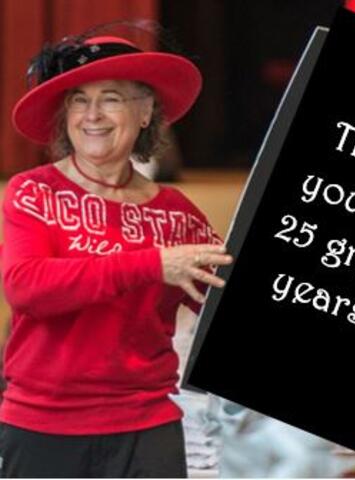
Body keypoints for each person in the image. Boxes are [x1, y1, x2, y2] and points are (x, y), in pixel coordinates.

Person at [0, 27, 233, 478]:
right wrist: (152, 264)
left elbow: (226, 306)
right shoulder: (34, 192)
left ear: (146, 112)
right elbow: (26, 286)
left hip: (149, 429)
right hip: (44, 428)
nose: (92, 115)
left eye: (110, 98)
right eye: (78, 100)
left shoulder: (178, 215)